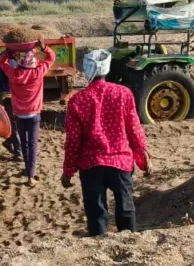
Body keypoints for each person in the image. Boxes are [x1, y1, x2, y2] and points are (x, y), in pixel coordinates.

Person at [61, 49, 150, 237]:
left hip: (91, 164)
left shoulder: (78, 100)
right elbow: (134, 130)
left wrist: (68, 172)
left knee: (96, 211)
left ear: (87, 70)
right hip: (121, 162)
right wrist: (143, 160)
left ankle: (98, 245)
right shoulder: (123, 94)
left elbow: (73, 141)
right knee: (126, 207)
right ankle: (129, 241)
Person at [0, 39, 56, 186]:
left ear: (21, 63)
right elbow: (51, 58)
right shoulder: (38, 72)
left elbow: (1, 62)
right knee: (33, 144)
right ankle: (31, 176)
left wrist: (8, 52)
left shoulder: (13, 73)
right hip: (34, 114)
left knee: (24, 143)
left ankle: (27, 170)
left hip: (19, 114)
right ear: (34, 62)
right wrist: (44, 47)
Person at [0, 55, 20, 160]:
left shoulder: (25, 56)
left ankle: (9, 143)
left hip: (22, 96)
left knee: (18, 123)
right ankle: (18, 152)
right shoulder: (2, 58)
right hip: (9, 96)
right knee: (14, 123)